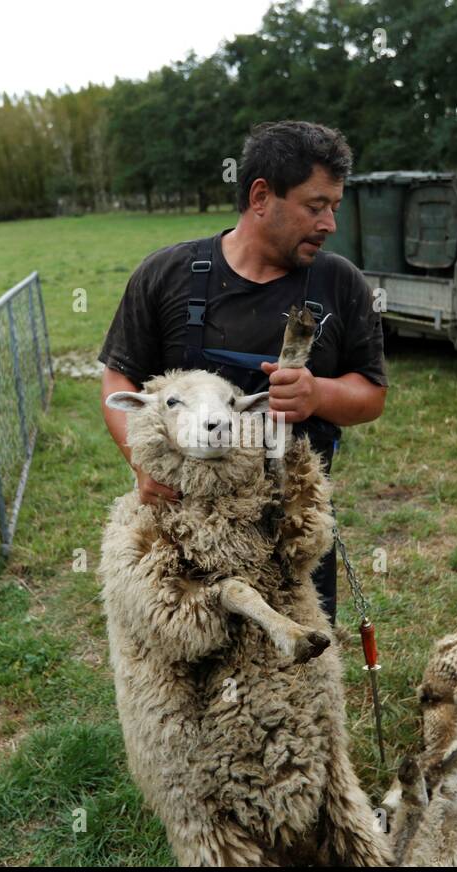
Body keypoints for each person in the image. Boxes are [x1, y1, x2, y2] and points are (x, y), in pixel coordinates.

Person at [98, 120, 388, 625]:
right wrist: (141, 463)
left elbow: (371, 394)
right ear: (261, 196)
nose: (329, 224)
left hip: (288, 529)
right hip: (182, 530)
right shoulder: (166, 275)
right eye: (315, 206)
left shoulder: (341, 284)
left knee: (294, 675)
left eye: (334, 208)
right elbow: (118, 380)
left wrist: (317, 394)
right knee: (185, 657)